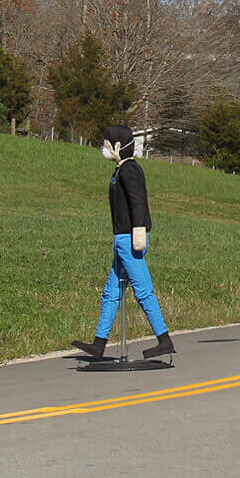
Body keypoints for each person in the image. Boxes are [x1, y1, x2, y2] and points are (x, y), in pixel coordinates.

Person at [72, 124, 176, 360]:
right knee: (111, 292)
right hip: (122, 239)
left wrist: (139, 232)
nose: (104, 149)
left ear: (118, 146)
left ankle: (164, 340)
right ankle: (99, 344)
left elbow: (138, 202)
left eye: (107, 145)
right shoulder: (121, 170)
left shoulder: (130, 171)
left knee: (143, 291)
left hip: (130, 239)